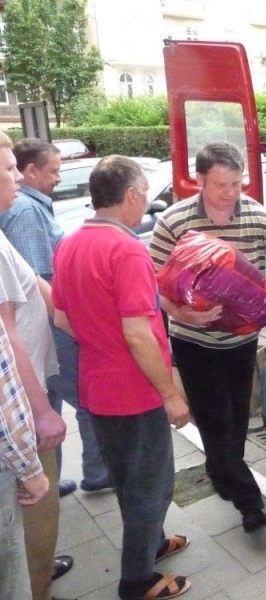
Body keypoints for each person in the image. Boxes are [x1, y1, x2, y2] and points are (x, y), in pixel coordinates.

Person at [52, 155, 192, 600]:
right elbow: (137, 333)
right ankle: (136, 580)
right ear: (130, 195)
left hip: (97, 383)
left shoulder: (71, 243)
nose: (145, 202)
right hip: (134, 390)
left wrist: (101, 340)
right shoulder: (127, 248)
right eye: (145, 194)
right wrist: (170, 394)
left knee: (129, 478)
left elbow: (61, 317)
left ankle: (151, 542)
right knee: (152, 485)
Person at [149, 141, 266, 533]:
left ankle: (221, 473)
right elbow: (148, 282)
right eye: (221, 184)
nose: (231, 193)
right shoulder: (174, 220)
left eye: (237, 183)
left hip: (241, 342)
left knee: (235, 421)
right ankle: (250, 503)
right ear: (198, 180)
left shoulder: (258, 217)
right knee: (215, 420)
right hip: (193, 341)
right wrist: (182, 313)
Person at [0, 138, 111, 505]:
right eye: (53, 171)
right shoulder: (26, 213)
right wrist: (76, 328)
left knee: (55, 406)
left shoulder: (24, 209)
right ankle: (86, 475)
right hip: (43, 339)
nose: (59, 178)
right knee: (75, 404)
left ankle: (52, 477)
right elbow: (39, 282)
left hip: (43, 338)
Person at [0, 157, 50, 600]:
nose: (20, 177)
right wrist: (44, 411)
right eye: (10, 168)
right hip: (22, 410)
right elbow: (6, 346)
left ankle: (40, 575)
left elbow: (34, 280)